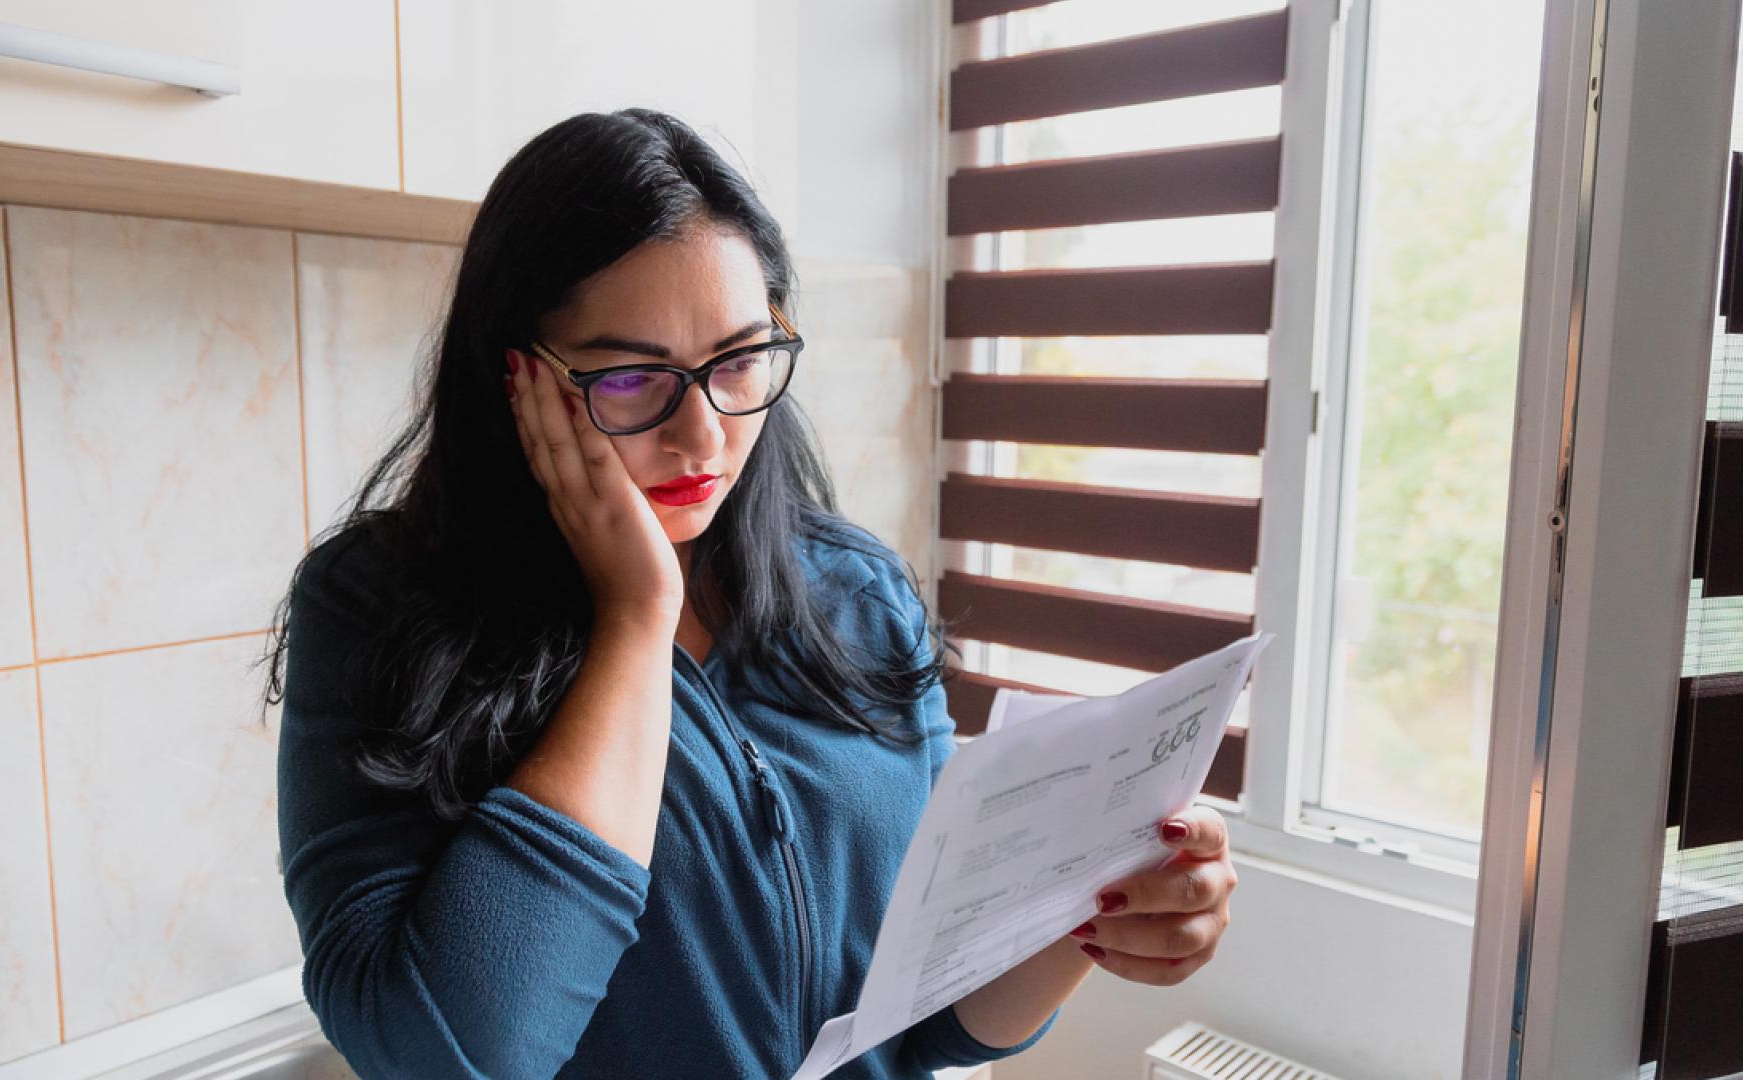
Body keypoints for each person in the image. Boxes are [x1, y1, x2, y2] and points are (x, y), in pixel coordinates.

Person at [258, 108, 1237, 1080]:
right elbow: (452, 1053)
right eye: (634, 379)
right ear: (517, 379)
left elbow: (925, 1020)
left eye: (737, 360)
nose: (702, 436)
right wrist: (634, 619)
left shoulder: (852, 593)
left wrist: (1098, 914)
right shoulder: (375, 612)